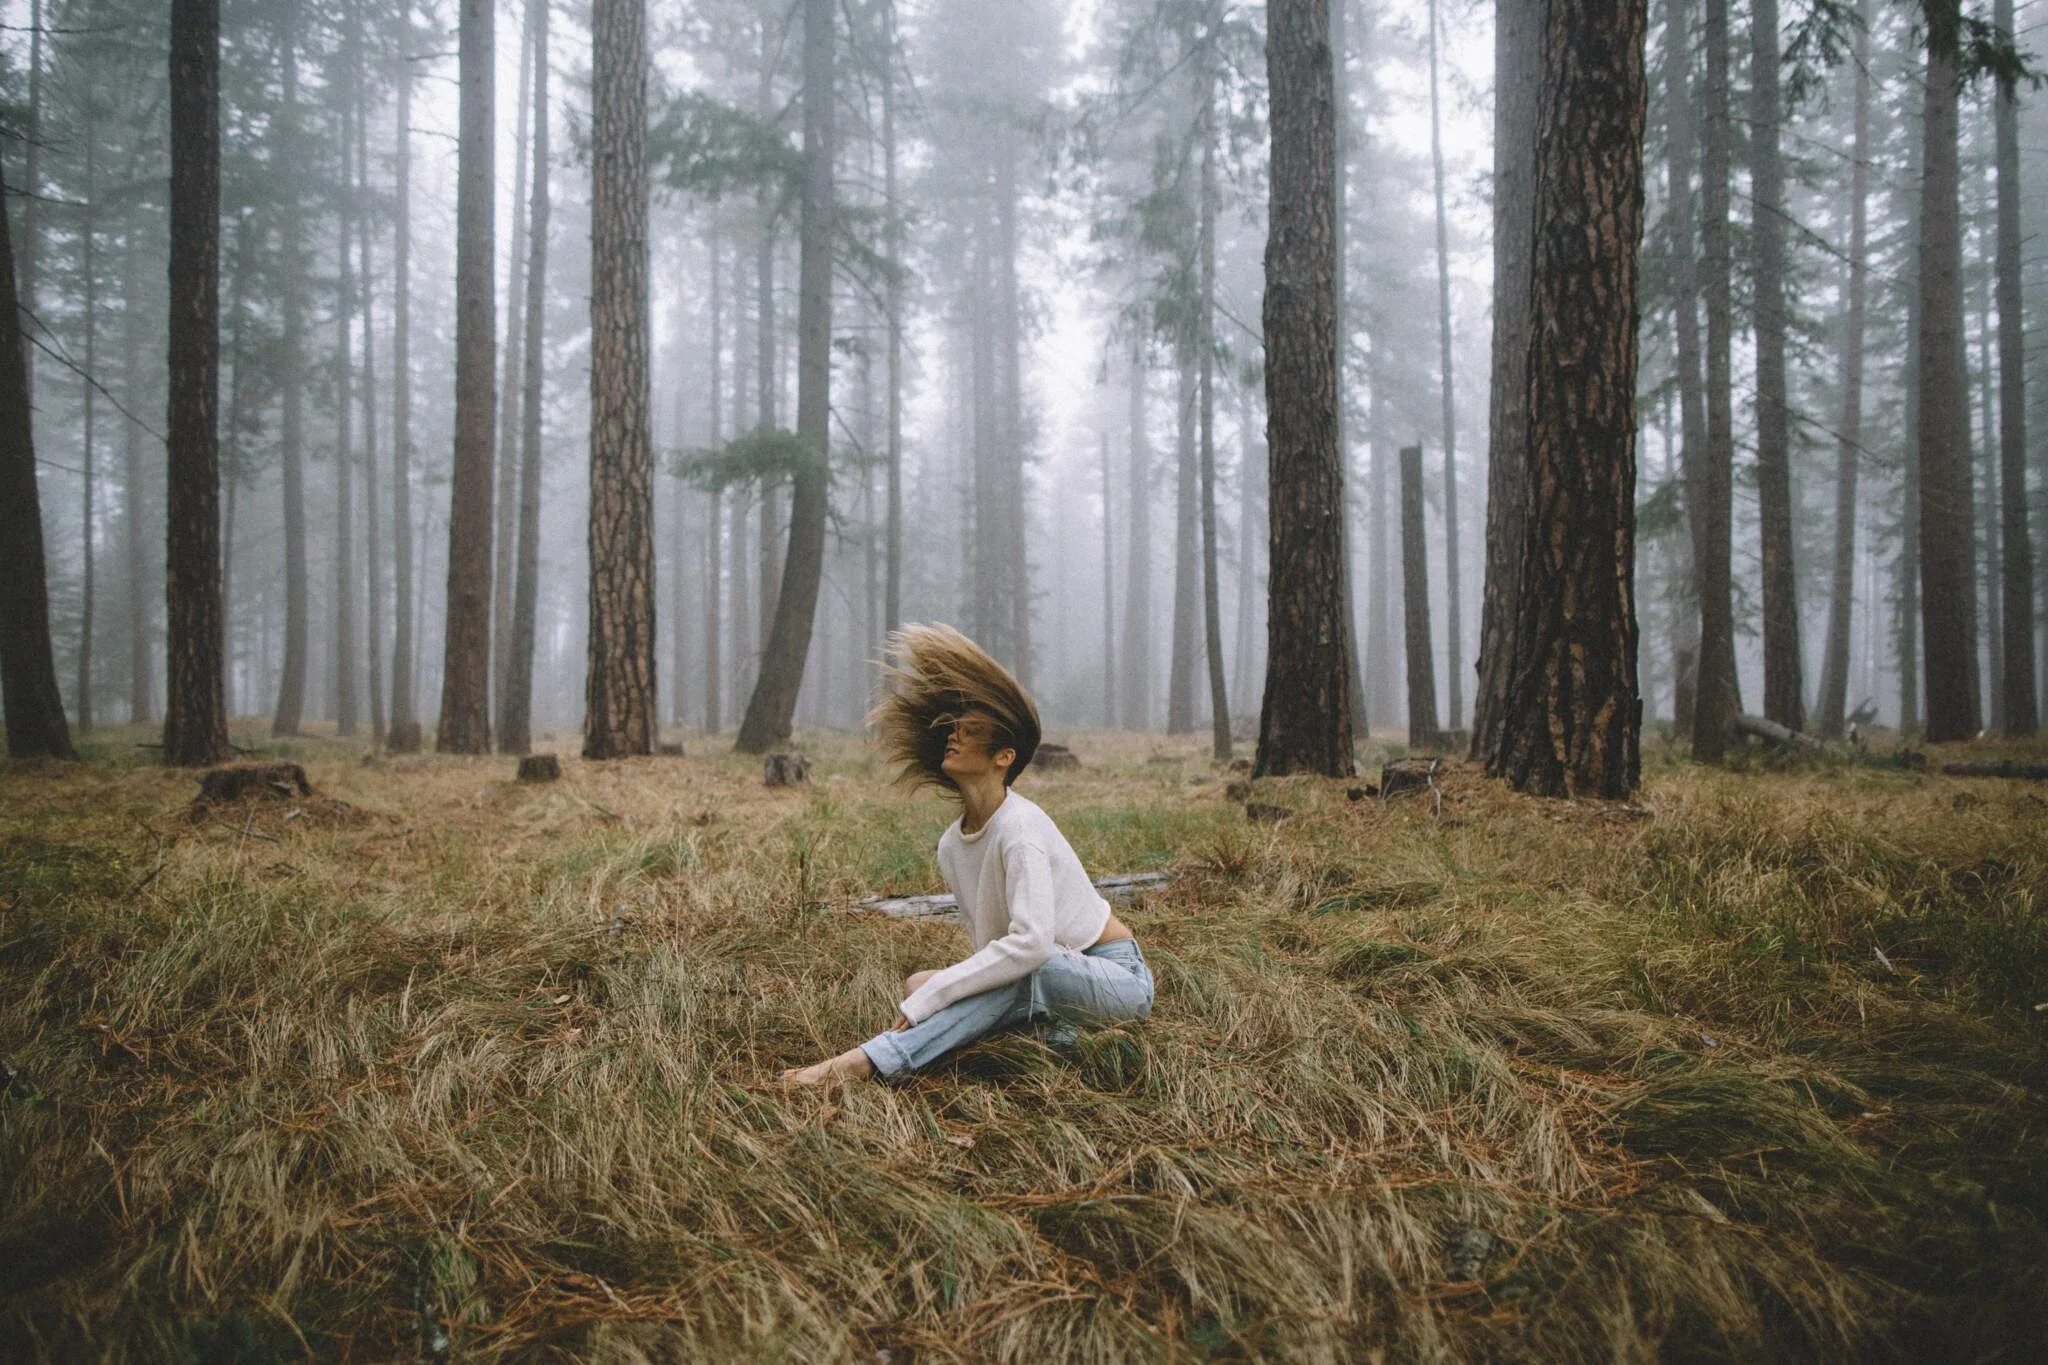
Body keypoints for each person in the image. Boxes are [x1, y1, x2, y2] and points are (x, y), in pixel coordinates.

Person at [779, 624, 1155, 1086]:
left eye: (971, 732)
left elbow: (1031, 947)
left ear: (1003, 757)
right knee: (919, 983)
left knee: (983, 978)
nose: (953, 738)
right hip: (1046, 979)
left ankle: (866, 1063)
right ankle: (1054, 1040)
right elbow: (993, 947)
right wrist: (932, 991)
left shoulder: (1020, 829)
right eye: (955, 729)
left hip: (1118, 979)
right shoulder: (952, 845)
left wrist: (937, 996)